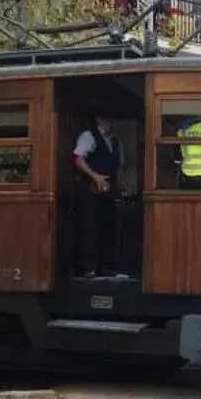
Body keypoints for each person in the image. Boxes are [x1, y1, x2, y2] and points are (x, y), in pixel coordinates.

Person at [73, 110, 125, 278]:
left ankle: (107, 266)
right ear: (99, 120)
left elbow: (120, 166)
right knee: (90, 227)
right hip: (91, 188)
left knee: (109, 227)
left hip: (110, 189)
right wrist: (95, 176)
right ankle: (90, 268)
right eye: (109, 120)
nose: (112, 124)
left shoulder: (116, 142)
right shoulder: (89, 136)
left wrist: (120, 186)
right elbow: (79, 159)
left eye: (113, 120)